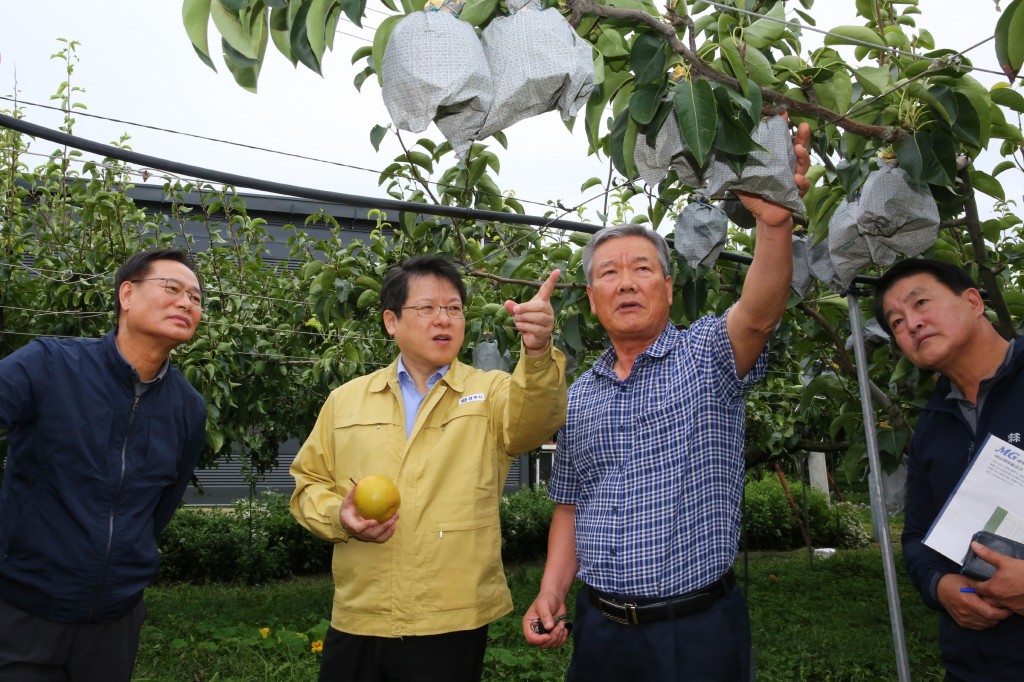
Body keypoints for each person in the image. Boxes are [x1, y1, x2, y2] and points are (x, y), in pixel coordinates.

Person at [522, 121, 811, 681]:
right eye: (609, 273)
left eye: (641, 269)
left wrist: (773, 228)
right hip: (601, 628)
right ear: (592, 297)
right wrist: (551, 590)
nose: (626, 282)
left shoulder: (706, 355)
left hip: (696, 630)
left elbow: (758, 313)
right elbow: (571, 503)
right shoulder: (579, 394)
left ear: (669, 287)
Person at [289, 255, 567, 682]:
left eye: (454, 308)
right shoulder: (346, 401)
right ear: (391, 321)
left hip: (452, 618)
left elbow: (535, 421)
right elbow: (309, 484)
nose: (445, 319)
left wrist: (537, 351)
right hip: (362, 614)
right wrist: (338, 515)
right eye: (427, 308)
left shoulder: (491, 391)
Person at [0, 248, 207, 682]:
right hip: (24, 609)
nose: (187, 302)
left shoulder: (188, 408)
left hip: (115, 618)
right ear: (126, 294)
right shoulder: (50, 365)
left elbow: (160, 508)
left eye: (197, 297)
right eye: (172, 288)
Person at [874, 257, 1024, 681]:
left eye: (921, 303)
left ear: (974, 301)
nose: (912, 324)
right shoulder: (932, 428)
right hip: (977, 665)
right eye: (897, 323)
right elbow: (918, 537)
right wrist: (942, 587)